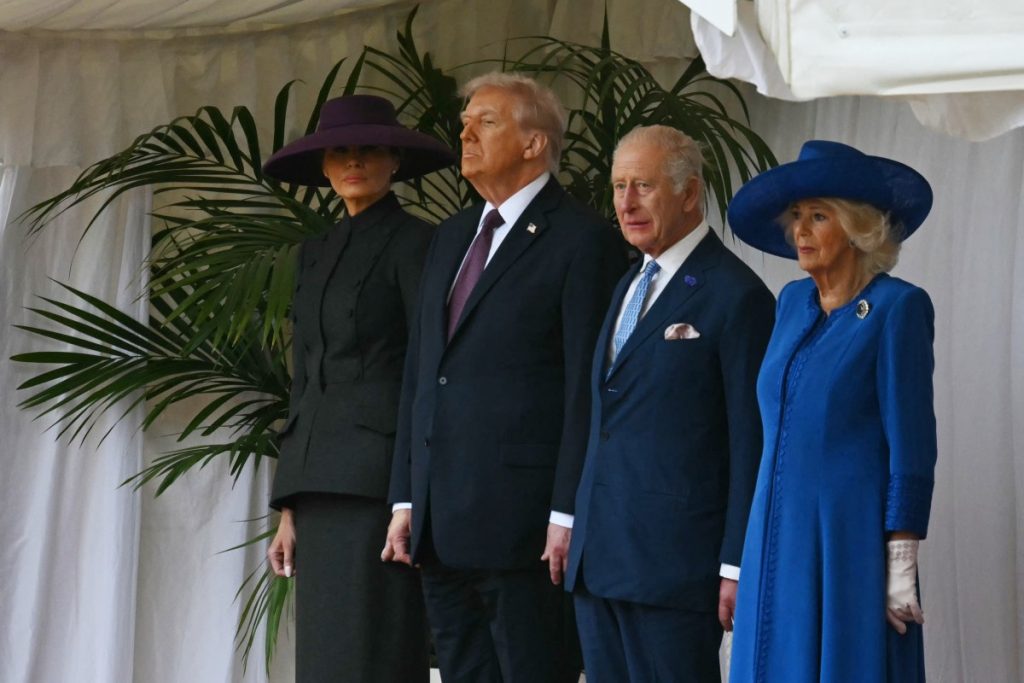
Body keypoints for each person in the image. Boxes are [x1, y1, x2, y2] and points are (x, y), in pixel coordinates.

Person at [381, 72, 628, 683]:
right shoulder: (452, 237)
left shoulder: (583, 239)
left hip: (525, 529)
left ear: (534, 143)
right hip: (440, 523)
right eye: (466, 121)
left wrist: (568, 512)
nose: (464, 132)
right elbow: (422, 371)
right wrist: (407, 496)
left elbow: (586, 390)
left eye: (485, 122)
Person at [563, 125, 775, 682]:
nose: (626, 203)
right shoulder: (629, 283)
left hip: (676, 567)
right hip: (600, 558)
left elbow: (750, 441)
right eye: (618, 187)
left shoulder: (738, 295)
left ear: (688, 193)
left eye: (644, 187)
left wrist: (736, 562)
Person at [261, 94, 456, 683]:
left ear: (394, 159)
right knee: (324, 656)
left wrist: (410, 494)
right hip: (318, 483)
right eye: (340, 152)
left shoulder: (418, 243)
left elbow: (428, 369)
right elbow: (305, 377)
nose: (353, 162)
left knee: (373, 648)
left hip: (378, 481)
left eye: (368, 149)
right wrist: (288, 505)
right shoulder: (314, 254)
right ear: (322, 168)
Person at [726, 140, 937, 682]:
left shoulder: (898, 307)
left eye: (818, 216)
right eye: (797, 216)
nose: (800, 230)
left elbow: (911, 447)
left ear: (858, 227)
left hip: (847, 538)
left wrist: (899, 565)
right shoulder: (792, 302)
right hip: (774, 527)